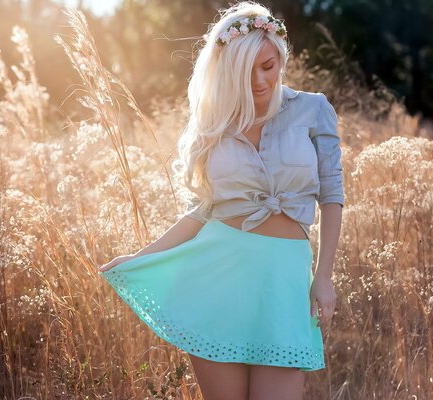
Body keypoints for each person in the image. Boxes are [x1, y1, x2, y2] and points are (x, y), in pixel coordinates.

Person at [98, 1, 344, 399]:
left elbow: (332, 194)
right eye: (245, 72)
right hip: (218, 280)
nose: (260, 81)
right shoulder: (217, 122)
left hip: (283, 283)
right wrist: (142, 256)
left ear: (281, 57)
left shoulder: (314, 110)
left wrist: (324, 275)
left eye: (267, 66)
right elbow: (203, 210)